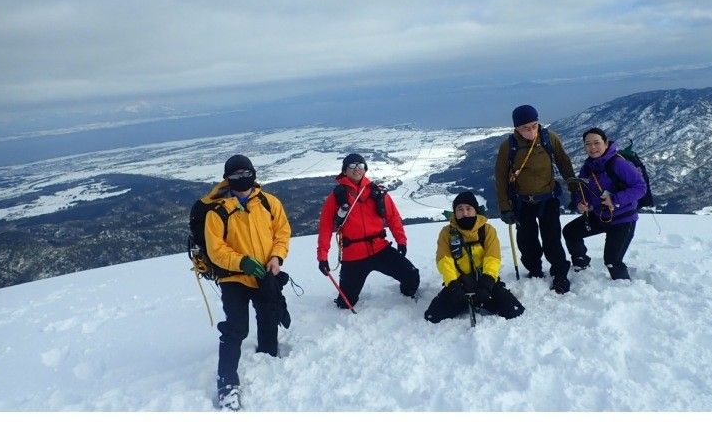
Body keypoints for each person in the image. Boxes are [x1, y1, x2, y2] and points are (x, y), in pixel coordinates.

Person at [204, 154, 292, 411]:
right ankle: (227, 385)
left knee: (268, 315)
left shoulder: (268, 202)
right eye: (236, 175)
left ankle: (268, 356)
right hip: (233, 278)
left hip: (265, 273)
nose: (242, 179)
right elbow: (215, 250)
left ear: (253, 174)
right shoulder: (217, 211)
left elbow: (282, 232)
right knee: (236, 328)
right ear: (227, 179)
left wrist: (277, 257)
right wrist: (241, 262)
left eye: (247, 173)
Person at [317, 153, 420, 309]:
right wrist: (322, 257)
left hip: (380, 248)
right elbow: (325, 228)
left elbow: (393, 217)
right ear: (344, 171)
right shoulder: (336, 197)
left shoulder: (377, 192)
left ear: (365, 169)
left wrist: (401, 241)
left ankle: (406, 299)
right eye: (352, 166)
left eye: (360, 165)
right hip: (354, 256)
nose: (356, 169)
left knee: (412, 276)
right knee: (346, 303)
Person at [494, 104, 576, 294]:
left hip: (548, 199)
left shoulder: (549, 138)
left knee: (552, 237)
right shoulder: (509, 146)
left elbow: (564, 163)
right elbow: (500, 176)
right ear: (516, 128)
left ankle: (559, 273)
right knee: (527, 240)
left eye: (534, 125)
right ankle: (535, 270)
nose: (531, 131)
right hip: (522, 201)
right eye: (525, 128)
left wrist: (575, 190)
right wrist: (505, 207)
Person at [424, 191, 524, 323]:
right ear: (455, 212)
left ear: (475, 210)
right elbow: (444, 259)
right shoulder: (447, 233)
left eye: (468, 208)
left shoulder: (487, 230)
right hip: (459, 284)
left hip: (485, 281)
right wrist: (452, 284)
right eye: (460, 209)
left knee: (514, 310)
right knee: (432, 316)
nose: (464, 213)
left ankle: (479, 301)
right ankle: (466, 301)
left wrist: (487, 282)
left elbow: (492, 257)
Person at [563, 128, 647, 280]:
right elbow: (581, 190)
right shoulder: (588, 167)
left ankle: (625, 289)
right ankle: (581, 266)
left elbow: (640, 187)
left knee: (612, 261)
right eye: (588, 144)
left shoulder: (618, 163)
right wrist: (580, 203)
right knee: (570, 232)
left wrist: (615, 199)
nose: (592, 147)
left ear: (606, 143)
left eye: (597, 143)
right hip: (601, 216)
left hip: (623, 219)